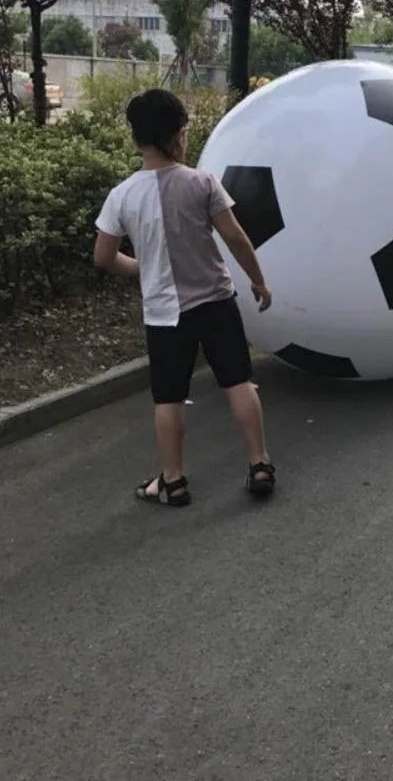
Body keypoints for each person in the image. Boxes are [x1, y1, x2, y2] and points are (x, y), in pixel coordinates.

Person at [93, 89, 276, 507]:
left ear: (137, 139)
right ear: (177, 136)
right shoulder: (203, 183)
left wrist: (141, 266)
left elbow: (103, 257)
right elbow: (235, 237)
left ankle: (172, 481)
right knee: (238, 382)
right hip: (216, 302)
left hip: (164, 314)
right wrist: (258, 280)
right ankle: (259, 463)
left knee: (169, 396)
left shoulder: (122, 195)